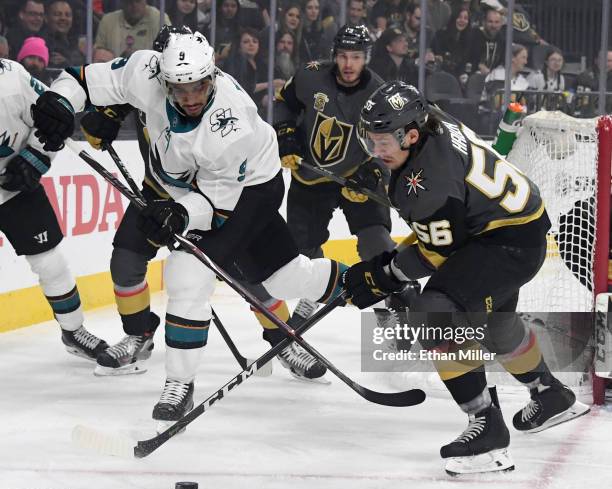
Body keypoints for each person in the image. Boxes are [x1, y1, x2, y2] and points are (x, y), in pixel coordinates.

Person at [31, 29, 348, 428]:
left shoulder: (229, 128)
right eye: (180, 89)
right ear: (162, 80)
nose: (191, 98)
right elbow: (81, 79)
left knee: (283, 278)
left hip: (249, 193)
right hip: (179, 190)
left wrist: (178, 215)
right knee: (185, 277)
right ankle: (179, 384)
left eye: (199, 87)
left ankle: (364, 283)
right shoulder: (144, 72)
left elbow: (216, 207)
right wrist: (58, 103)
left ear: (212, 76)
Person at [343, 80, 590, 475]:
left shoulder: (429, 183)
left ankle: (487, 431)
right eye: (369, 139)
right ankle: (551, 395)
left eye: (382, 142)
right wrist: (382, 174)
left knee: (434, 312)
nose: (375, 149)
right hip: (512, 228)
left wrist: (383, 275)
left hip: (503, 243)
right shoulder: (433, 121)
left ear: (410, 134)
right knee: (498, 322)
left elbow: (434, 254)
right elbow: (440, 215)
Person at [273, 24, 401, 332]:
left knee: (378, 243)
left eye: (356, 57)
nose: (348, 64)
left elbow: (388, 141)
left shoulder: (378, 92)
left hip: (355, 177)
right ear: (334, 56)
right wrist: (286, 135)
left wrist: (374, 172)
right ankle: (314, 289)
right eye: (343, 56)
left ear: (366, 58)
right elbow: (283, 103)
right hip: (310, 176)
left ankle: (395, 308)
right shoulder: (310, 76)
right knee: (302, 251)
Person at [0, 58, 107, 363]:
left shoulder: (11, 79)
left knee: (50, 263)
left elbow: (54, 116)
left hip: (14, 186)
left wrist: (36, 156)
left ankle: (73, 331)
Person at [94, 0, 171, 58]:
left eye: (138, 1)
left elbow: (170, 53)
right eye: (129, 1)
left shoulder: (160, 19)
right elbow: (98, 57)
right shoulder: (108, 21)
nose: (134, 5)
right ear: (121, 3)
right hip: (115, 75)